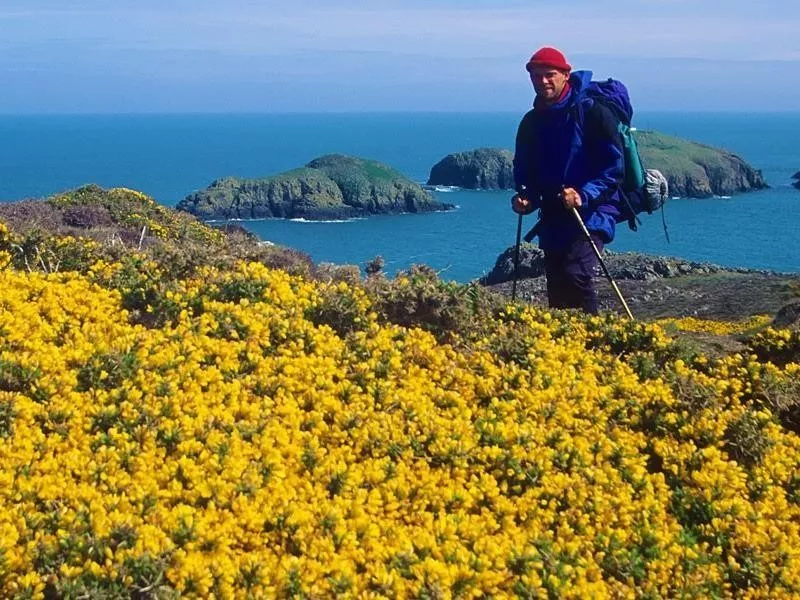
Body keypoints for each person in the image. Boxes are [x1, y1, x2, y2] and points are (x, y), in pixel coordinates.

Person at [512, 46, 624, 314]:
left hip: (593, 210)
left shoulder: (593, 113)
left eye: (549, 74)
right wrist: (526, 196)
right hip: (554, 214)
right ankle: (567, 346)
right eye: (536, 76)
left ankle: (594, 341)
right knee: (558, 283)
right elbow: (525, 170)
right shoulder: (531, 122)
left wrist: (583, 195)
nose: (543, 81)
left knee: (577, 273)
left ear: (565, 74)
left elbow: (613, 166)